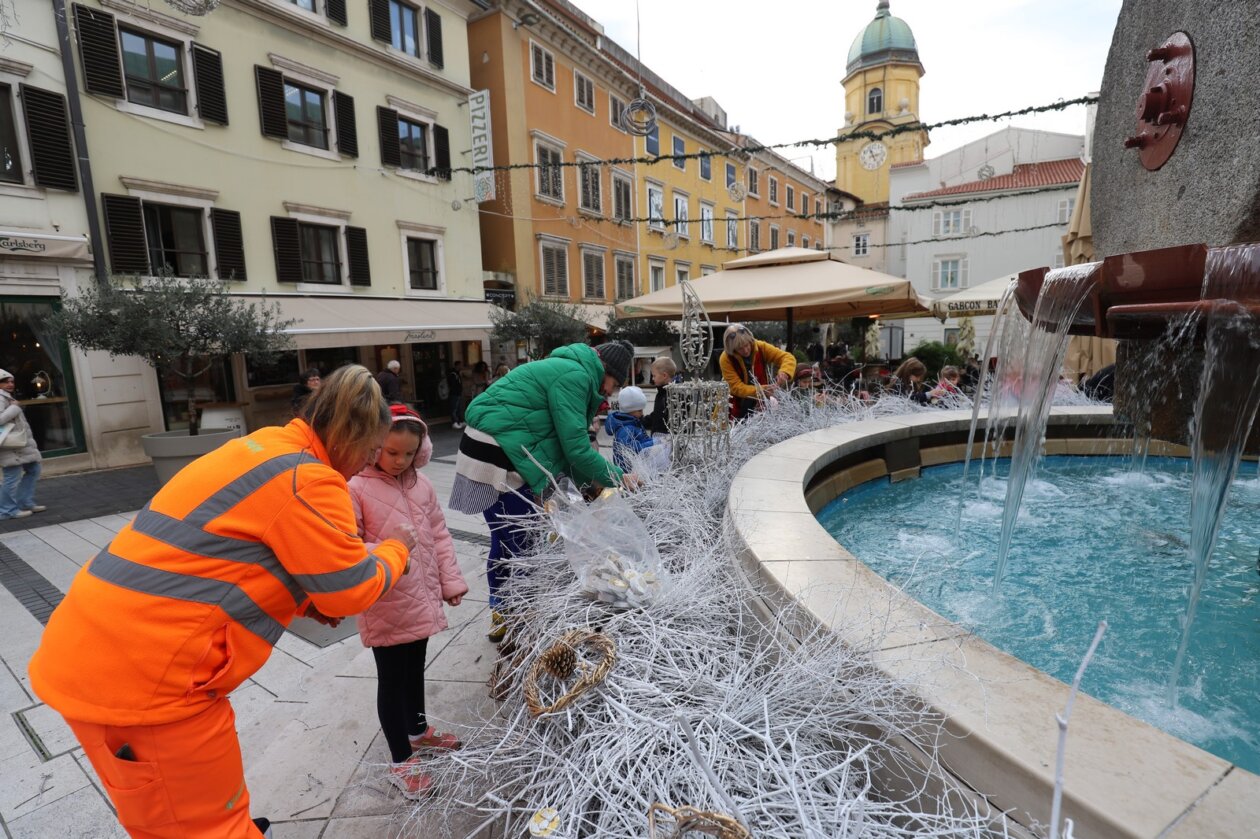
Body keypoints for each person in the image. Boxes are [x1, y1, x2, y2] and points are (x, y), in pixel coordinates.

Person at [28, 365, 418, 838]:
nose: (369, 463)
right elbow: (349, 590)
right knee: (209, 829)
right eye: (373, 450)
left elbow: (224, 554)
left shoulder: (262, 447)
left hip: (99, 656)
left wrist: (299, 600)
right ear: (351, 435)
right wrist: (397, 548)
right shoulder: (310, 479)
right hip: (149, 687)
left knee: (167, 820)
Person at [448, 340, 639, 642]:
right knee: (521, 544)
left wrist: (587, 484)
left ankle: (505, 610)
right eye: (614, 383)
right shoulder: (575, 376)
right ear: (607, 371)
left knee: (508, 540)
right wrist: (619, 478)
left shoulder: (567, 369)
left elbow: (564, 446)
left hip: (486, 452)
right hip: (498, 460)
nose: (610, 392)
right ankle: (521, 618)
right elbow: (576, 451)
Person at [348, 405, 467, 800]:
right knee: (392, 680)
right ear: (373, 447)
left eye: (408, 454)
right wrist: (388, 549)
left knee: (415, 668)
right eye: (391, 452)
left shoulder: (422, 485)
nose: (399, 461)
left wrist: (450, 580)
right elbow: (347, 546)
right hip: (385, 601)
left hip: (423, 597)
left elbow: (440, 534)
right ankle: (401, 759)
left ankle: (417, 732)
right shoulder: (356, 488)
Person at [719, 323, 797, 420]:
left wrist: (785, 372)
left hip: (761, 404)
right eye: (740, 348)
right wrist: (761, 390)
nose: (746, 350)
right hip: (734, 405)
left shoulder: (761, 347)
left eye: (747, 345)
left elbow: (787, 357)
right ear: (732, 348)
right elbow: (735, 387)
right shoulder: (725, 358)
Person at [0, 369, 43, 520]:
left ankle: (24, 502)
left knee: (33, 468)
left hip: (18, 444)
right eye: (5, 381)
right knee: (12, 477)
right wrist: (15, 407)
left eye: (11, 381)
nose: (10, 384)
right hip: (9, 446)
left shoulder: (7, 397)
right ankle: (6, 510)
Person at [604, 386, 655, 471]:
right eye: (639, 411)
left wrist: (653, 441)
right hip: (628, 470)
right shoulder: (626, 428)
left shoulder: (633, 422)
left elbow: (641, 439)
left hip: (635, 467)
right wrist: (652, 443)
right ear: (628, 410)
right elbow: (628, 450)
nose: (642, 414)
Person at [647, 356, 678, 434]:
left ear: (664, 376)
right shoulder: (661, 392)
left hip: (666, 441)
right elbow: (656, 415)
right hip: (659, 439)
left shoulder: (674, 395)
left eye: (654, 376)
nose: (653, 379)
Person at [446, 361, 465, 429]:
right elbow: (453, 385)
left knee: (459, 408)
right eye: (460, 365)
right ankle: (454, 422)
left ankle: (460, 421)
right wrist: (457, 390)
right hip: (454, 393)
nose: (461, 367)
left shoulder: (457, 373)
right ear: (457, 366)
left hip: (458, 393)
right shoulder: (453, 374)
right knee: (454, 408)